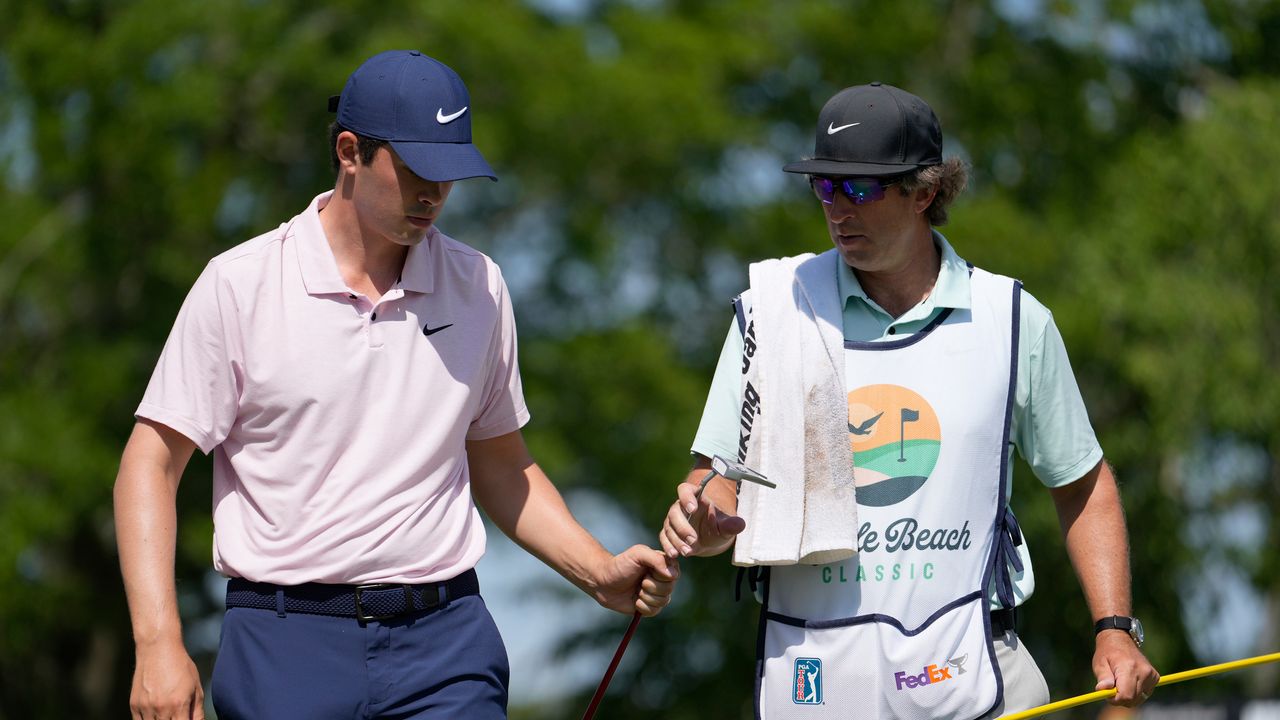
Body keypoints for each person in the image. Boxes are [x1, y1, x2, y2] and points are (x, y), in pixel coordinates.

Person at [114, 49, 677, 720]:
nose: (434, 194)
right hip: (285, 643)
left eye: (450, 175)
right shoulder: (240, 285)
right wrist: (157, 644)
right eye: (416, 171)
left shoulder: (480, 288)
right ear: (350, 152)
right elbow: (149, 462)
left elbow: (502, 465)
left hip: (445, 645)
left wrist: (597, 570)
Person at [659, 82, 1157, 719]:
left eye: (861, 188)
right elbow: (717, 479)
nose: (839, 209)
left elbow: (1082, 485)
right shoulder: (773, 310)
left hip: (971, 677)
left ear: (926, 192)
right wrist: (703, 517)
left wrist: (1114, 628)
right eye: (825, 187)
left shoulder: (1013, 319)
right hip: (812, 682)